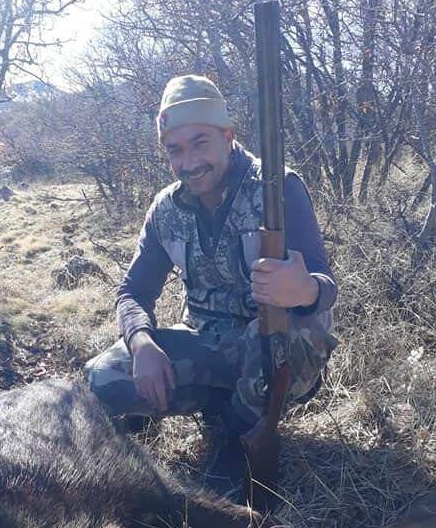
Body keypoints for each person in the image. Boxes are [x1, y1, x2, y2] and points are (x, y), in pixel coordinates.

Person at [85, 75, 337, 491]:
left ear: (228, 136)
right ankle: (179, 429)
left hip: (274, 347)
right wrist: (142, 344)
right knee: (102, 378)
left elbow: (326, 284)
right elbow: (132, 292)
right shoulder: (165, 208)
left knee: (270, 347)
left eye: (200, 143)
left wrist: (305, 290)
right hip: (206, 340)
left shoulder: (279, 187)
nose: (189, 163)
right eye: (175, 150)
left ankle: (234, 439)